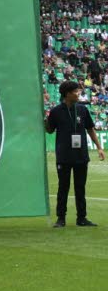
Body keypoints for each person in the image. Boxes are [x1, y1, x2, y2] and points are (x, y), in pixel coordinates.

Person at [45, 80, 104, 227]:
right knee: (63, 187)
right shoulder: (56, 111)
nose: (78, 94)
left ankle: (82, 218)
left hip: (81, 155)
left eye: (78, 91)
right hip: (64, 156)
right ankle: (61, 218)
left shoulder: (83, 110)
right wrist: (45, 119)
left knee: (80, 187)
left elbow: (90, 129)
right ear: (67, 94)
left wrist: (99, 147)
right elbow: (49, 130)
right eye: (75, 92)